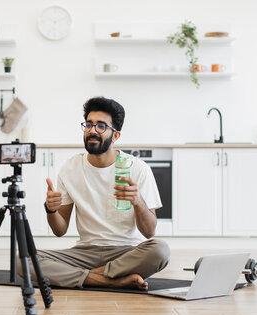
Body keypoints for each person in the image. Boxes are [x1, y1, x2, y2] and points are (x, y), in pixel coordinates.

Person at [19, 97, 170, 290]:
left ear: (115, 136)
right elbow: (59, 230)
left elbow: (149, 232)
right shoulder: (70, 168)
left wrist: (138, 201)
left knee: (160, 250)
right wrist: (51, 210)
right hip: (85, 253)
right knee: (22, 259)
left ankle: (87, 277)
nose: (92, 130)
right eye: (89, 124)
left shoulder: (137, 168)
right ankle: (107, 279)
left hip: (127, 253)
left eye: (101, 126)